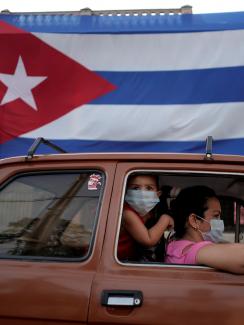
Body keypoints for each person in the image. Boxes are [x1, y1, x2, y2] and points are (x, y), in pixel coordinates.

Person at [165, 186, 244, 274]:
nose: (220, 221)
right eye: (216, 215)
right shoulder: (192, 250)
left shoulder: (175, 245)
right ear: (194, 220)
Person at [118, 173, 173, 262]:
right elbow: (148, 241)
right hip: (120, 260)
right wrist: (165, 219)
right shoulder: (126, 213)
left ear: (158, 194)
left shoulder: (150, 213)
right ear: (126, 191)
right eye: (135, 188)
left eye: (149, 188)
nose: (142, 193)